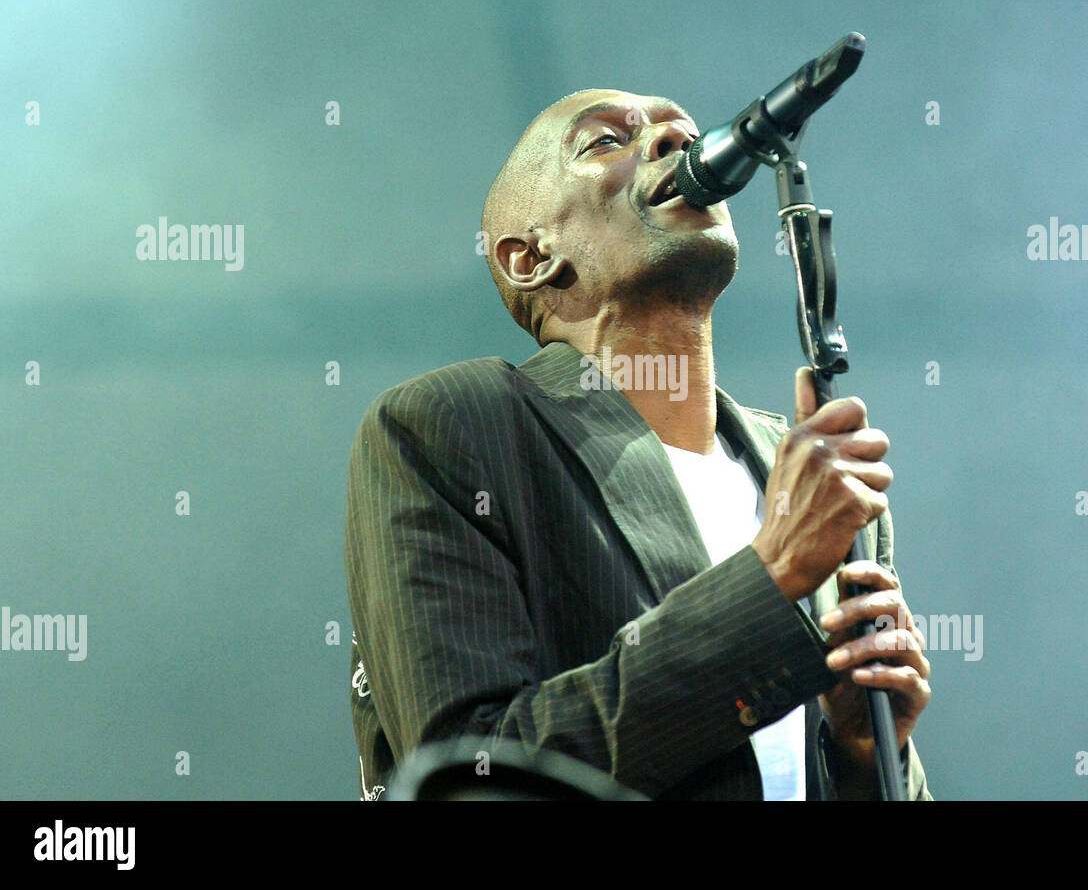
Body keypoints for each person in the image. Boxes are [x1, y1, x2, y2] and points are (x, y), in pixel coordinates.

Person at [345, 88, 933, 801]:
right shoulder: (449, 427)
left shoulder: (803, 468)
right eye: (605, 142)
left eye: (683, 133)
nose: (671, 144)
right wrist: (769, 576)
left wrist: (865, 756)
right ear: (528, 255)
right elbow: (472, 773)